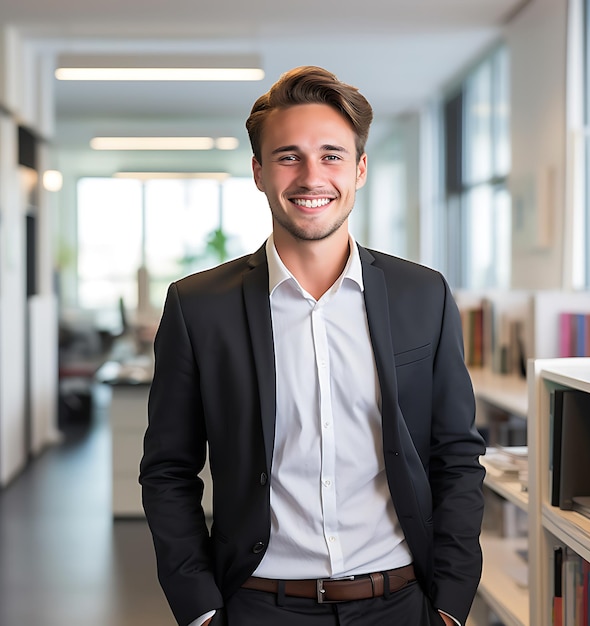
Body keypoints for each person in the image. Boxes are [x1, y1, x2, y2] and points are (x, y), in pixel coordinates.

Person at [139, 65, 485, 626]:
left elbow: (457, 457)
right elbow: (168, 470)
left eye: (331, 155)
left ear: (360, 168)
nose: (311, 176)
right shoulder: (198, 306)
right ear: (258, 171)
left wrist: (449, 603)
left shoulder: (424, 294)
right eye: (287, 156)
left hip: (401, 604)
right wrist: (200, 609)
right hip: (256, 605)